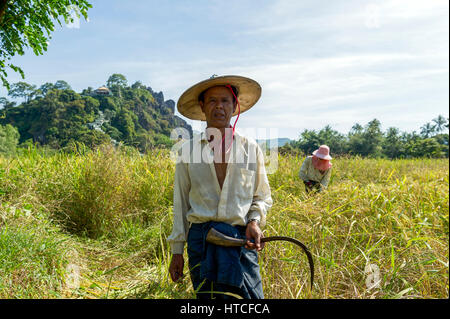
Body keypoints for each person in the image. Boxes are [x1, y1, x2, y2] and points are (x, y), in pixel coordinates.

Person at [167, 75, 273, 299]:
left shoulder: (250, 149)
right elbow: (181, 204)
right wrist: (177, 251)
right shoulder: (188, 151)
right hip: (202, 239)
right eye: (212, 101)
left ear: (235, 106)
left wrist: (254, 221)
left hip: (240, 238)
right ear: (203, 107)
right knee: (209, 301)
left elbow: (261, 196)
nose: (219, 106)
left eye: (225, 101)